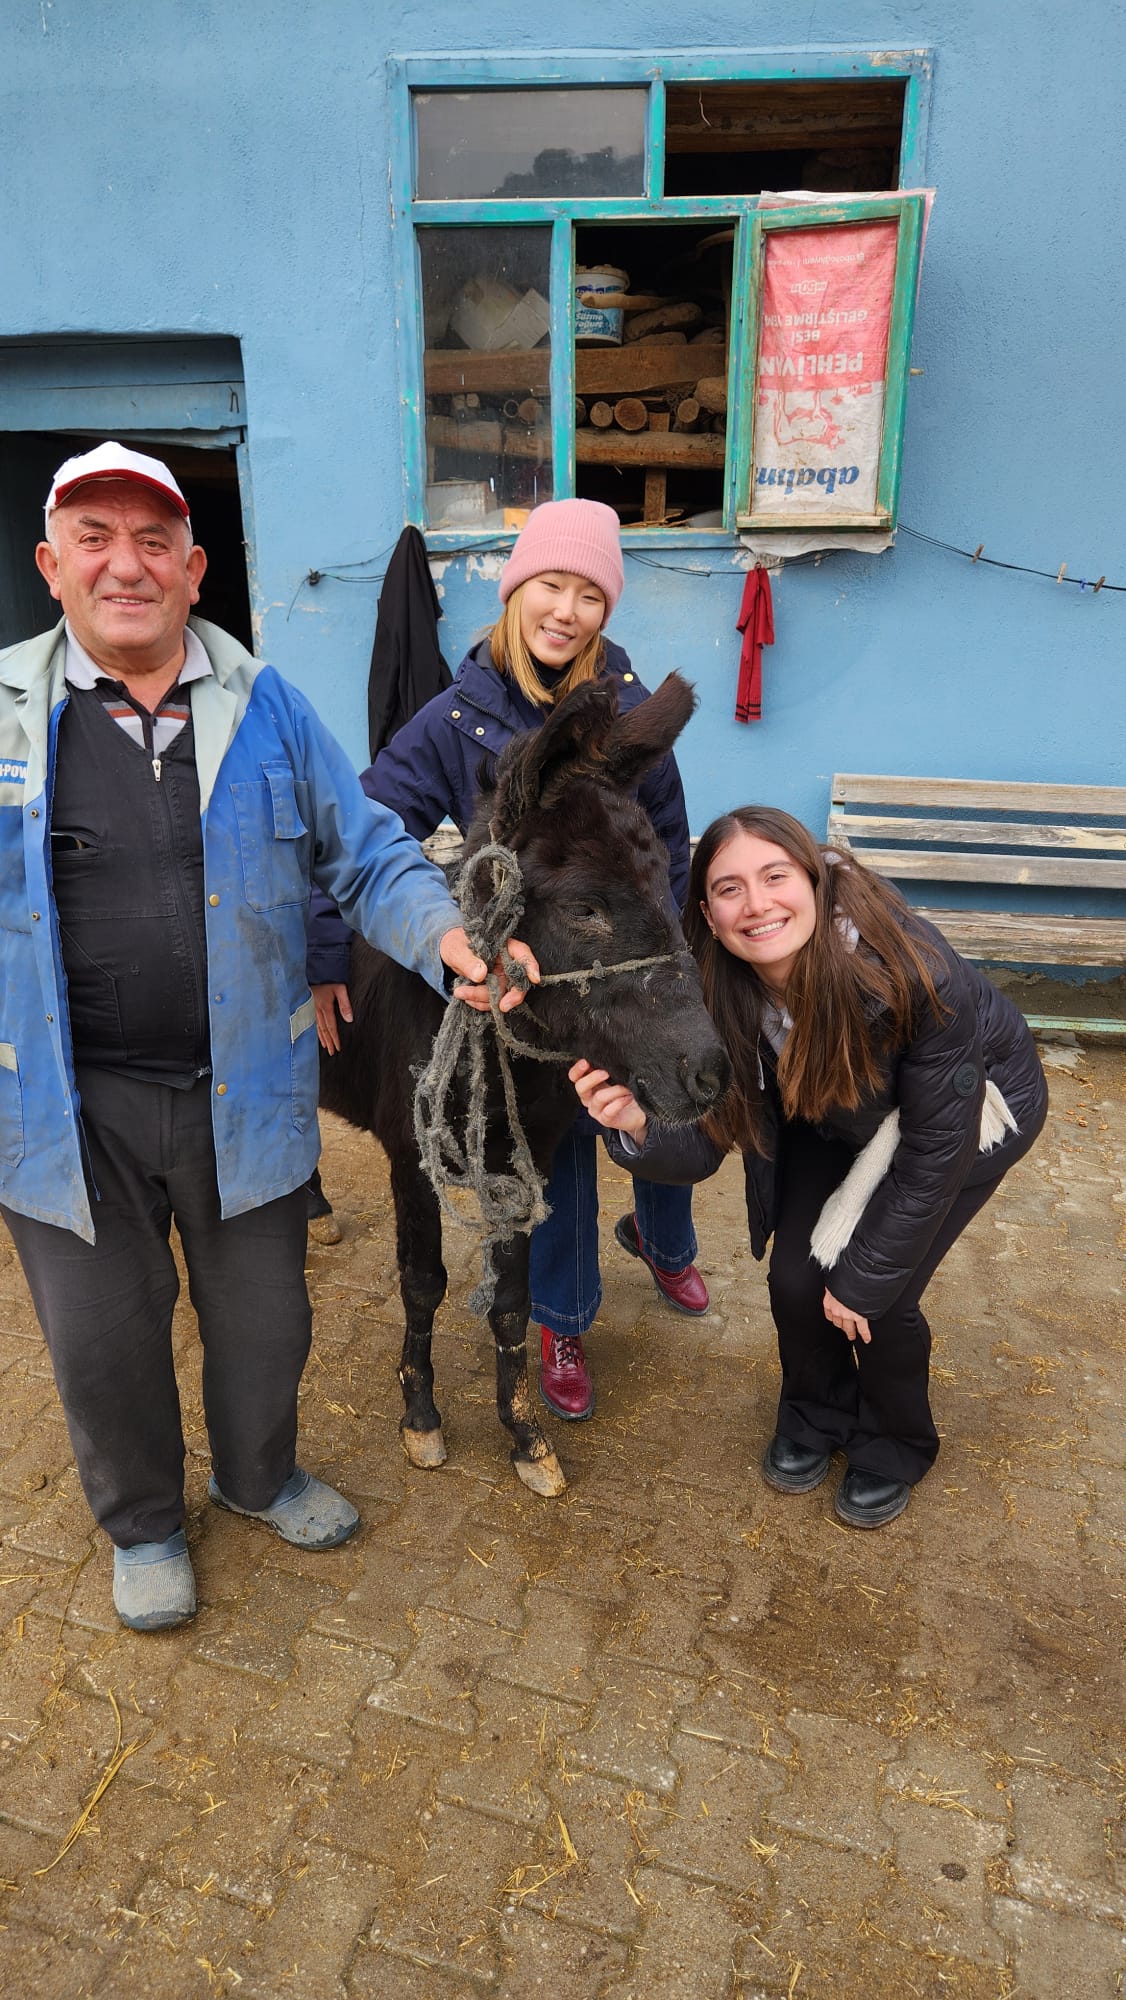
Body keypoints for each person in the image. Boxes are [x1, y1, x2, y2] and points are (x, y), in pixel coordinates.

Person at [0, 441, 535, 1632]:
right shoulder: (7, 711)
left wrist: (446, 937)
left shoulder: (269, 706)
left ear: (195, 569)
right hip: (63, 1106)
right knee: (103, 1338)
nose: (125, 565)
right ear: (52, 564)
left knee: (266, 1318)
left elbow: (371, 852)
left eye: (154, 542)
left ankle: (253, 1478)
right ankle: (143, 1522)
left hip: (244, 1085)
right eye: (96, 538)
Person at [306, 497, 709, 1424]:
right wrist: (329, 949)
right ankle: (562, 1318)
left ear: (607, 609)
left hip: (620, 960)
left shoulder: (634, 716)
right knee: (550, 1142)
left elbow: (670, 849)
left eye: (589, 596)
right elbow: (364, 832)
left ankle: (666, 1239)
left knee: (667, 1099)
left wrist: (664, 967)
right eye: (550, 587)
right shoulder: (455, 719)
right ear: (513, 587)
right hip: (528, 970)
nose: (566, 611)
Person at [571, 806, 1048, 1527]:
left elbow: (932, 1152)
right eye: (729, 889)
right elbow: (707, 1145)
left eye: (775, 877)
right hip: (830, 1111)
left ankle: (895, 1444)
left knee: (875, 1301)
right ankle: (815, 1414)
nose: (756, 904)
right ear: (707, 910)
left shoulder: (915, 973)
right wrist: (638, 1125)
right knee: (797, 1278)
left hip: (963, 1120)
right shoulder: (719, 987)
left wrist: (860, 1281)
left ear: (816, 883)